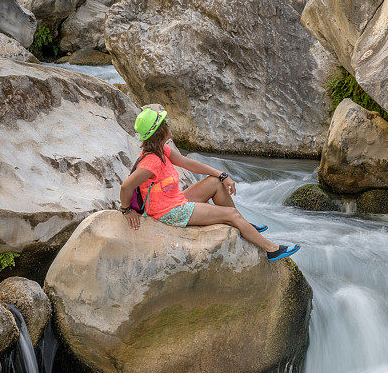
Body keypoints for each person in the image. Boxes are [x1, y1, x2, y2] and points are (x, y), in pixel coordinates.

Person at [119, 108, 300, 262]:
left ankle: (244, 224)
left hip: (174, 200)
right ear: (160, 130)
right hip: (169, 212)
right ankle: (271, 249)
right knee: (231, 214)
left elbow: (188, 163)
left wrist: (222, 174)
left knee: (214, 182)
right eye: (165, 122)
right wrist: (127, 210)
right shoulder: (151, 162)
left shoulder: (162, 150)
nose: (169, 124)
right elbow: (126, 187)